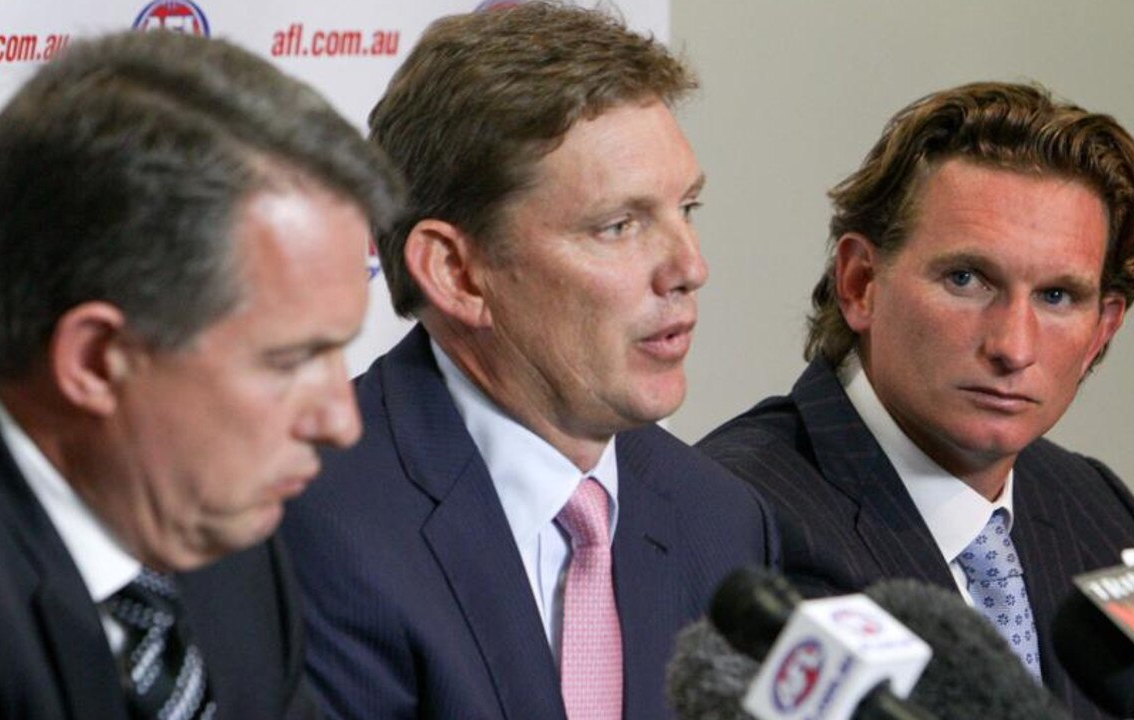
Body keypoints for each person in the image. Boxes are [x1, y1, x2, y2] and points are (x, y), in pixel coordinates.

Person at [280, 4, 779, 719]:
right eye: (619, 226)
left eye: (686, 209)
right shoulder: (308, 516)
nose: (689, 267)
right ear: (456, 272)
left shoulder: (721, 521)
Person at [0, 29, 399, 720]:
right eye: (289, 361)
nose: (341, 420)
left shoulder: (214, 530)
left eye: (339, 353)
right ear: (94, 360)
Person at [698, 81, 1134, 720]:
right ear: (859, 283)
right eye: (966, 279)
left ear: (1103, 328)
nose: (1012, 347)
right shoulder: (726, 513)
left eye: (1057, 297)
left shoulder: (1095, 508)